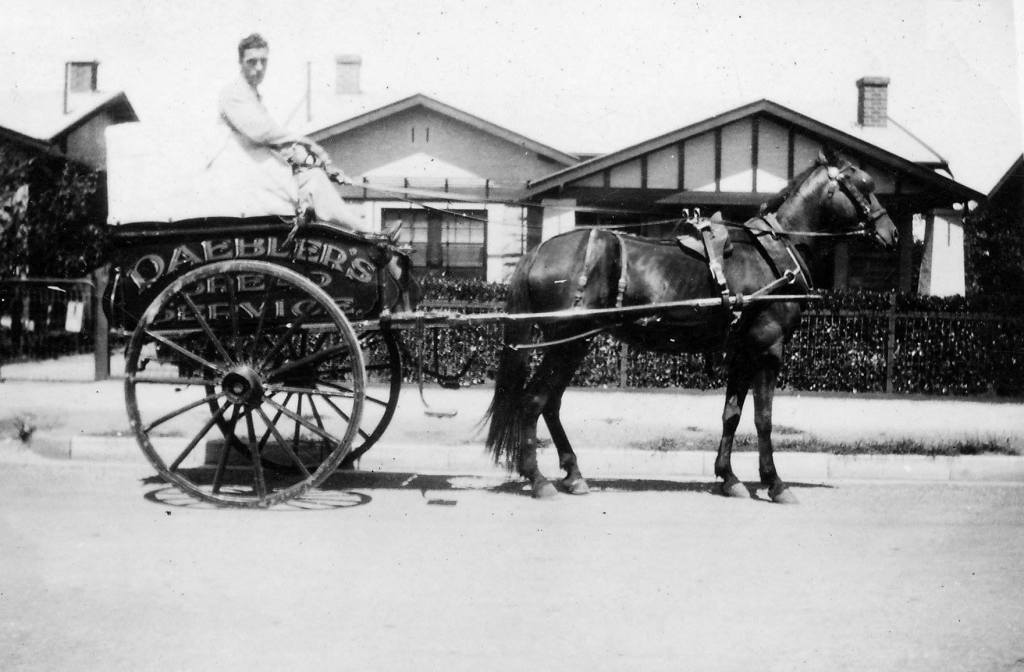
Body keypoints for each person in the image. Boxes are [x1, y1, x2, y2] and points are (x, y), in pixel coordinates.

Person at [217, 33, 399, 240]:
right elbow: (265, 133)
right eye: (252, 62)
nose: (259, 68)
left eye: (263, 61)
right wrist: (310, 150)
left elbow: (275, 140)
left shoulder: (252, 95)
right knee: (312, 180)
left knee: (312, 177)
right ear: (240, 62)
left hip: (258, 168)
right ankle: (368, 233)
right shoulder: (234, 94)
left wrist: (319, 160)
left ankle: (359, 233)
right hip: (241, 171)